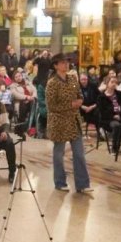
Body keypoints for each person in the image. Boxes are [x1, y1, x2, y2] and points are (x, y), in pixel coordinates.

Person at [46, 53, 91, 192]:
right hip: (59, 122)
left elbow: (80, 95)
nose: (66, 64)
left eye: (67, 62)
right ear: (56, 66)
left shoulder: (72, 78)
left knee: (79, 153)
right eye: (62, 62)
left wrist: (80, 101)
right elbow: (51, 106)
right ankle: (60, 182)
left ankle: (82, 184)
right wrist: (70, 105)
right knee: (59, 153)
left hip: (73, 120)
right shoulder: (52, 83)